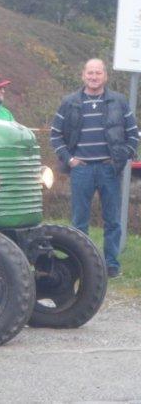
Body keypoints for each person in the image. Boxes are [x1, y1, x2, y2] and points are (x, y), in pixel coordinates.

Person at [50, 58, 139, 278]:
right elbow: (55, 135)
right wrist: (70, 160)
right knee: (79, 221)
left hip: (109, 170)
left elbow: (133, 135)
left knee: (113, 221)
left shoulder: (119, 102)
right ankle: (81, 264)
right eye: (90, 73)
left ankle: (111, 265)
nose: (94, 77)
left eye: (98, 73)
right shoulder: (69, 102)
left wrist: (120, 158)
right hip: (81, 170)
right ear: (83, 75)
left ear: (105, 76)